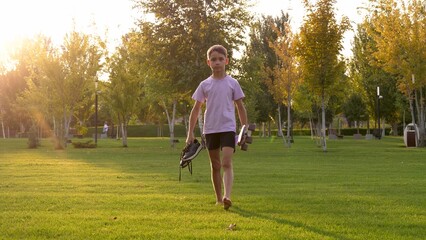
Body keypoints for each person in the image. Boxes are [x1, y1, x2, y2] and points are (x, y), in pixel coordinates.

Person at [186, 45, 248, 210]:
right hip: (210, 130)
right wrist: (190, 133)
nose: (217, 62)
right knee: (215, 165)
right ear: (208, 62)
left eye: (221, 59)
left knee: (226, 162)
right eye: (214, 59)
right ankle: (219, 199)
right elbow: (196, 109)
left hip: (228, 128)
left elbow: (240, 107)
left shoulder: (233, 83)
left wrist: (244, 128)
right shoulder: (204, 85)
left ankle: (228, 196)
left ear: (226, 61)